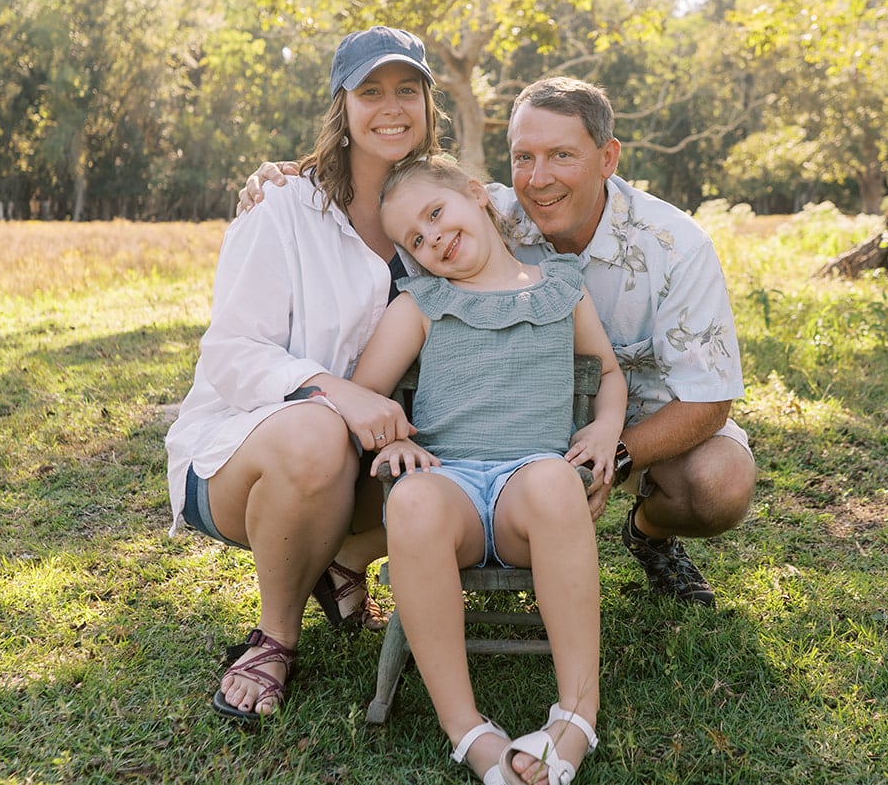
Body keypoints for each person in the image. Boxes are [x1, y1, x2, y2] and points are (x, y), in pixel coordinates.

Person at [239, 77, 755, 606]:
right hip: (506, 425)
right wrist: (294, 177)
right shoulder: (484, 215)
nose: (538, 179)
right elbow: (407, 187)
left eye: (561, 155)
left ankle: (648, 531)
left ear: (607, 158)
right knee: (430, 468)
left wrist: (614, 453)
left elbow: (709, 401)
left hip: (638, 420)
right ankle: (363, 550)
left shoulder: (676, 247)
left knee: (720, 482)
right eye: (522, 157)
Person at [164, 26, 444, 724]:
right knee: (319, 432)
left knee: (460, 454)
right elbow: (231, 353)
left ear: (428, 105)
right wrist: (338, 391)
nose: (391, 106)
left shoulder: (444, 209)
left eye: (406, 90)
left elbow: (526, 204)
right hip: (244, 454)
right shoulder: (283, 208)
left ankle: (342, 557)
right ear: (341, 107)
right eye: (370, 91)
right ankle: (275, 636)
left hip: (370, 456)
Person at [349, 155, 626, 785]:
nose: (433, 238)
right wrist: (394, 439)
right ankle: (467, 727)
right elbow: (365, 393)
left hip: (530, 495)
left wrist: (609, 428)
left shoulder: (561, 283)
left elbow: (608, 371)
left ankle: (576, 714)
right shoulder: (422, 301)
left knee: (557, 479)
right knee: (412, 501)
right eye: (414, 240)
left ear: (476, 196)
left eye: (437, 213)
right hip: (455, 497)